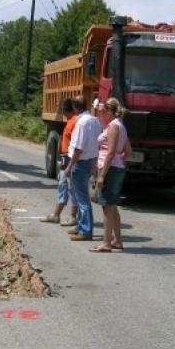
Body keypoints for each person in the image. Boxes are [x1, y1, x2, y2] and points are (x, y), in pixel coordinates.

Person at [90, 98, 132, 253]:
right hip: (117, 168)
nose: (102, 114)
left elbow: (110, 152)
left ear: (110, 111)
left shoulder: (113, 127)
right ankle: (117, 240)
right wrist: (119, 159)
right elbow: (128, 152)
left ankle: (106, 243)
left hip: (110, 169)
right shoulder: (121, 125)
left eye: (104, 111)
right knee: (112, 206)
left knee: (107, 206)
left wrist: (102, 175)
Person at [65, 95, 102, 241]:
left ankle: (86, 231)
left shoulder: (81, 123)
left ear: (74, 108)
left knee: (82, 198)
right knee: (82, 196)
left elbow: (78, 148)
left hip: (80, 163)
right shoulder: (95, 120)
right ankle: (81, 226)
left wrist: (69, 165)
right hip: (89, 161)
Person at [40, 99, 78, 225]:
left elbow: (77, 144)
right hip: (65, 157)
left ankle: (73, 217)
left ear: (65, 111)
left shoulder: (75, 122)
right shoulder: (70, 121)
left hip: (69, 158)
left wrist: (69, 161)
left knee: (71, 187)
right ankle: (56, 215)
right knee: (63, 185)